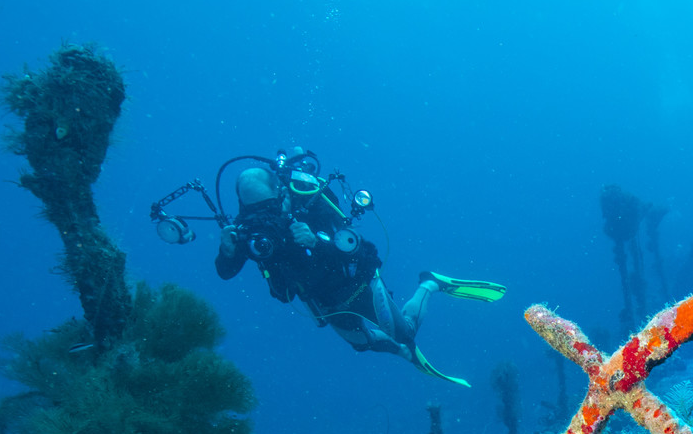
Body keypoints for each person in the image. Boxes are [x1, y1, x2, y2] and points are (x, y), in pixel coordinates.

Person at [215, 150, 504, 384]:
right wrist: (227, 252)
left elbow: (358, 250)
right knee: (363, 344)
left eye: (268, 208)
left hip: (356, 282)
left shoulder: (310, 203)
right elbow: (226, 272)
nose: (264, 219)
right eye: (254, 211)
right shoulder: (248, 230)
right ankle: (403, 351)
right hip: (322, 301)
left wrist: (316, 242)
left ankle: (430, 283)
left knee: (404, 334)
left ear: (280, 193)